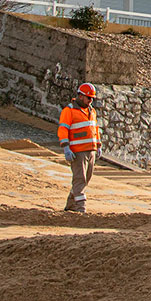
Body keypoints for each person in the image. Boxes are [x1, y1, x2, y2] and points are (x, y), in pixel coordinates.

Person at [58, 83, 100, 212]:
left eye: (92, 98)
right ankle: (80, 207)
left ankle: (71, 204)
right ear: (81, 96)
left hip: (90, 150)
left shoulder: (91, 111)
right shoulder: (69, 111)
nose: (90, 100)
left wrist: (98, 145)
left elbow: (95, 129)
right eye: (89, 98)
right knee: (79, 179)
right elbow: (63, 129)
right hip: (78, 152)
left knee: (85, 179)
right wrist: (66, 148)